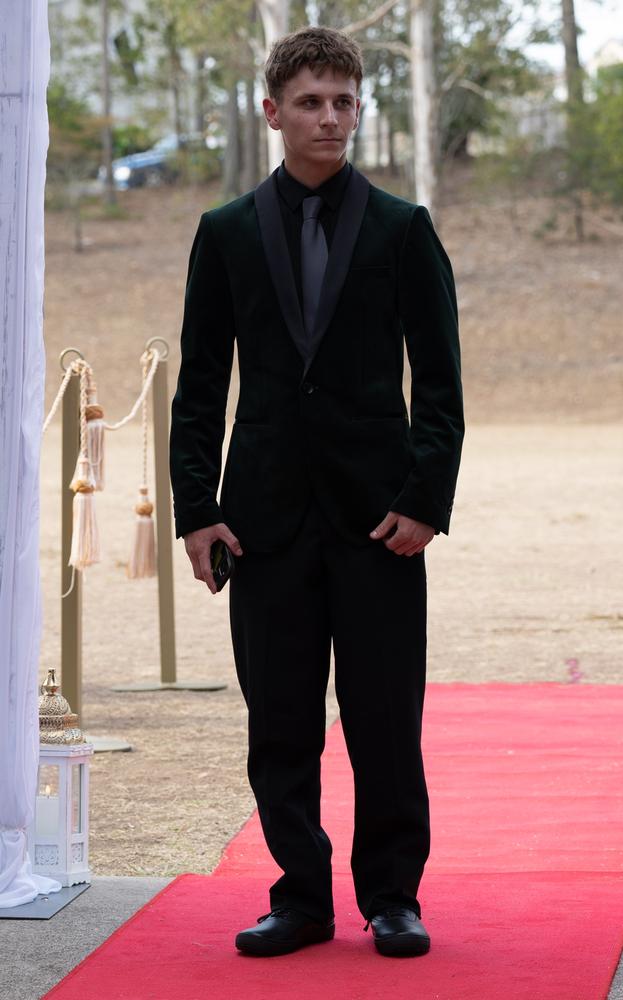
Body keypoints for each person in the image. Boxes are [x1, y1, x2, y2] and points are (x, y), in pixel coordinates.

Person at [169, 25, 464, 959]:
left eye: (343, 100)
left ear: (357, 107)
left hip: (381, 522)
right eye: (310, 102)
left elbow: (443, 384)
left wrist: (426, 498)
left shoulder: (402, 229)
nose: (329, 117)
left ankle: (392, 897)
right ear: (273, 112)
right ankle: (299, 897)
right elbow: (200, 383)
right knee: (281, 724)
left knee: (385, 721)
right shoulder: (221, 235)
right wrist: (197, 507)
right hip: (262, 522)